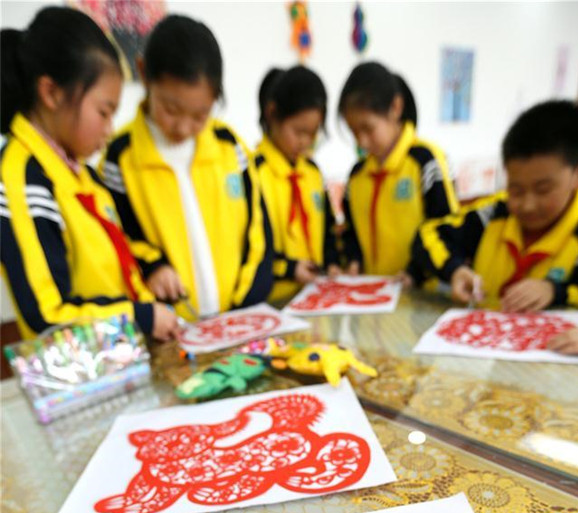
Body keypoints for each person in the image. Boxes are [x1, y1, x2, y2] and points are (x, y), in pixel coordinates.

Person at [0, 7, 178, 340]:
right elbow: (47, 316)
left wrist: (153, 267)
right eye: (104, 112)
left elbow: (113, 252)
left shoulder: (81, 174)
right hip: (82, 382)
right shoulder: (22, 180)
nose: (110, 129)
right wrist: (139, 316)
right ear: (52, 93)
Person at [102, 14, 272, 320]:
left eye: (200, 115)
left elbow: (258, 233)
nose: (183, 127)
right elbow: (120, 237)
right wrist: (153, 266)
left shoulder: (229, 146)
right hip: (172, 328)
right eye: (171, 109)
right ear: (144, 74)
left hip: (238, 318)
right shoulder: (121, 155)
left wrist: (245, 307)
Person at [411, 100, 578, 310]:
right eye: (516, 190)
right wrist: (454, 270)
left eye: (543, 190)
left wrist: (555, 291)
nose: (527, 205)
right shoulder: (496, 212)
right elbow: (428, 234)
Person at [337, 61, 458, 278]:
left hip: (423, 294)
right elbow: (351, 233)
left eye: (368, 128)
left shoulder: (426, 161)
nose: (362, 142)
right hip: (372, 294)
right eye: (354, 132)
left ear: (395, 108)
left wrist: (415, 272)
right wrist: (353, 260)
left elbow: (446, 230)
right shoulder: (357, 176)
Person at [254, 66, 337, 301]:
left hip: (316, 298)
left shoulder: (312, 172)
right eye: (299, 132)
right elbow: (251, 250)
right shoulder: (254, 172)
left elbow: (328, 230)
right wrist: (289, 268)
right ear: (272, 114)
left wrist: (331, 263)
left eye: (313, 133)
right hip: (274, 301)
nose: (306, 142)